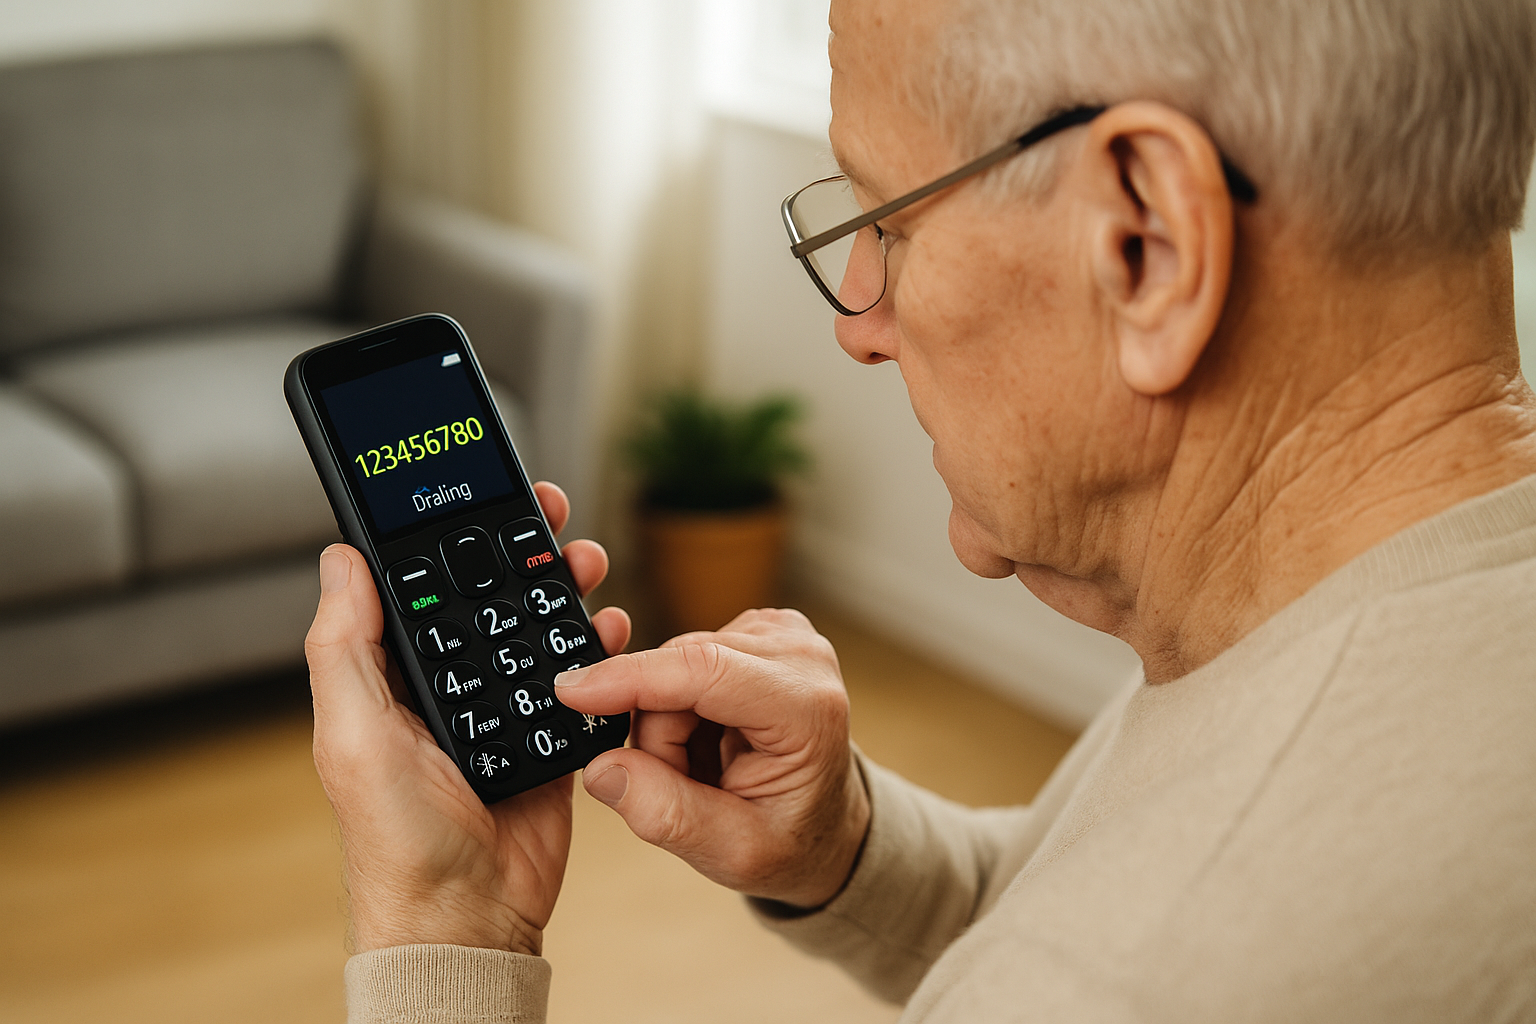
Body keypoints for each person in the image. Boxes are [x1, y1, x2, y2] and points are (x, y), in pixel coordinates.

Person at [304, 0, 1536, 1020]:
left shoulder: (1122, 984)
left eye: (885, 218)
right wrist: (844, 847)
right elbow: (1074, 898)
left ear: (1149, 244)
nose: (856, 320)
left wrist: (443, 934)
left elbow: (1104, 956)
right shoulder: (1337, 604)